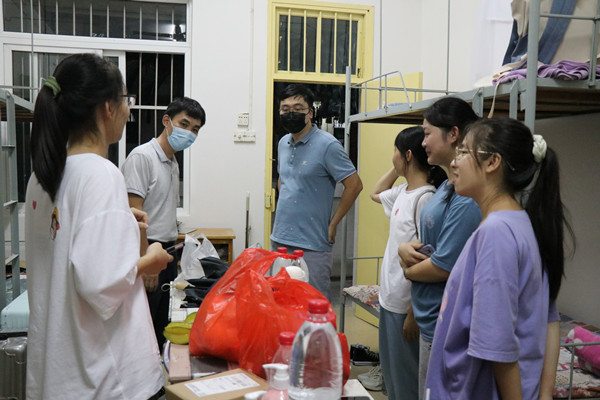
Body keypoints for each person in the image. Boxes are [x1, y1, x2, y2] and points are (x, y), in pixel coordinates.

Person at [25, 53, 172, 399]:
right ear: (108, 107)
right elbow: (100, 285)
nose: (129, 110)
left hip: (61, 369)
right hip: (104, 378)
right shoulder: (101, 173)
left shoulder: (41, 177)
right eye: (126, 100)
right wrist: (149, 261)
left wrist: (119, 217)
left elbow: (67, 241)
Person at [425, 117, 573, 400]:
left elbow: (497, 345)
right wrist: (544, 393)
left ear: (492, 162)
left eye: (464, 152)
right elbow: (549, 319)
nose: (454, 163)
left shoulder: (496, 233)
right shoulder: (521, 222)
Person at [397, 97, 482, 398]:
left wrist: (406, 268)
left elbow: (445, 265)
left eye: (427, 133)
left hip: (444, 321)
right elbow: (430, 245)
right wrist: (405, 248)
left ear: (453, 134)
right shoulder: (447, 185)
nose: (423, 143)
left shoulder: (467, 196)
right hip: (430, 313)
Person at [121, 96, 206, 351]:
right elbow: (135, 217)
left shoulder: (172, 161)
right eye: (184, 124)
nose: (189, 133)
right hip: (148, 249)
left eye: (195, 129)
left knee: (161, 325)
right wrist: (147, 264)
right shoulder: (142, 157)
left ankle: (158, 372)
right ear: (166, 121)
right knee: (143, 328)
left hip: (167, 252)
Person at [368, 127, 447, 399]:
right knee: (392, 375)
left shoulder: (426, 198)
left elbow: (427, 257)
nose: (393, 157)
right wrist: (399, 165)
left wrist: (414, 313)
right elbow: (375, 192)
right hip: (390, 297)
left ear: (409, 155)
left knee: (406, 380)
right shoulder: (403, 191)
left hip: (406, 304)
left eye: (395, 152)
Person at [270, 83, 363, 301]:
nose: (290, 113)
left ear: (310, 113)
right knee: (281, 303)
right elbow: (284, 178)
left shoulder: (328, 145)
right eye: (285, 109)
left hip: (312, 243)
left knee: (313, 305)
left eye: (297, 108)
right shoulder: (283, 143)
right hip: (280, 239)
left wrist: (333, 223)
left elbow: (355, 185)